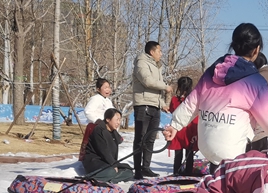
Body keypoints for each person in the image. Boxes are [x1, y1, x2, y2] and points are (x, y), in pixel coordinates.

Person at [163, 23, 268, 171]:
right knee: (232, 189)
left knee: (216, 181)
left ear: (233, 45)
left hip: (207, 146)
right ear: (257, 50)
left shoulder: (212, 71)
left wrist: (175, 125)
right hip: (232, 152)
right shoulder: (255, 82)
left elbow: (191, 103)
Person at [132, 41, 172, 178]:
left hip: (154, 106)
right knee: (140, 138)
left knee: (150, 139)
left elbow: (156, 92)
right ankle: (137, 170)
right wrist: (165, 86)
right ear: (152, 52)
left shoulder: (157, 66)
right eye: (159, 51)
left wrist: (163, 104)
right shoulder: (141, 63)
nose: (161, 53)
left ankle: (146, 167)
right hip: (143, 105)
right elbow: (147, 81)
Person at [81, 108, 134, 183]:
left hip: (107, 163)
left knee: (129, 172)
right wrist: (114, 164)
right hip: (95, 162)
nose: (118, 123)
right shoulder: (99, 130)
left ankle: (106, 179)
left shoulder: (113, 132)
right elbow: (104, 151)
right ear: (108, 119)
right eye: (117, 120)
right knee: (111, 171)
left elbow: (119, 140)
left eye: (120, 120)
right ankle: (91, 179)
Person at [78, 78, 115, 161]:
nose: (108, 90)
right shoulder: (95, 99)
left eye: (109, 87)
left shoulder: (108, 101)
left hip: (106, 129)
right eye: (105, 87)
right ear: (98, 89)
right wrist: (97, 121)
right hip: (96, 127)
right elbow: (88, 111)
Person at [169, 76, 197, 176]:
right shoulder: (193, 101)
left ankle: (176, 173)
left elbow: (172, 110)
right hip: (190, 129)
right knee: (189, 155)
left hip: (177, 130)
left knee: (178, 155)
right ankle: (188, 174)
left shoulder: (174, 100)